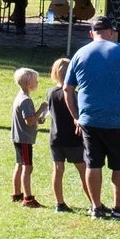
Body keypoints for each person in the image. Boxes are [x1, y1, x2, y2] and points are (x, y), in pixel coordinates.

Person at [66, 15, 120, 219]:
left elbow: (67, 89)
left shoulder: (80, 54)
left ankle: (96, 207)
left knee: (93, 163)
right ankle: (119, 207)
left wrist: (76, 116)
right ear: (112, 32)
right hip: (119, 120)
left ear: (91, 33)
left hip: (89, 120)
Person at [44, 57, 92, 214]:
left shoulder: (50, 93)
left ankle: (59, 203)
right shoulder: (75, 95)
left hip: (55, 138)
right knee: (84, 170)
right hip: (73, 138)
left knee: (58, 170)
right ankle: (94, 202)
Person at [8, 65, 44, 206]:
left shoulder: (20, 97)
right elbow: (29, 121)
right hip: (24, 139)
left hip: (18, 137)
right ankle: (28, 198)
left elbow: (30, 118)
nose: (37, 83)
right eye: (36, 81)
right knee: (27, 167)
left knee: (19, 164)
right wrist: (41, 109)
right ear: (29, 84)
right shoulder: (26, 100)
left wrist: (39, 118)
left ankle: (17, 194)